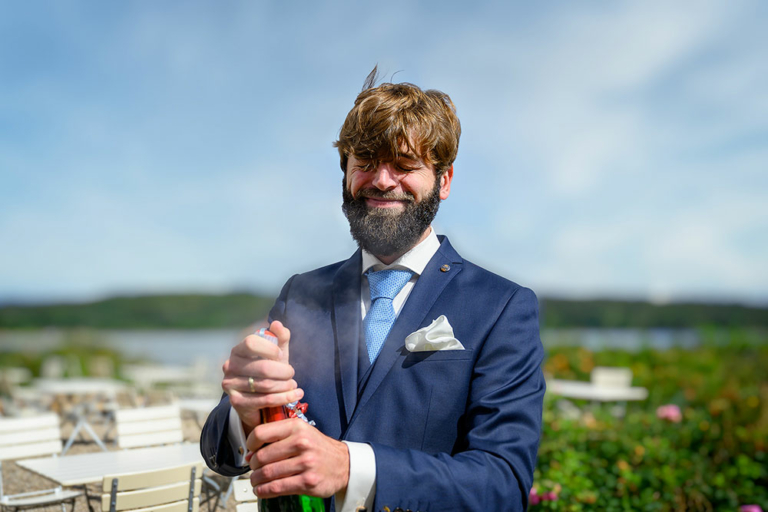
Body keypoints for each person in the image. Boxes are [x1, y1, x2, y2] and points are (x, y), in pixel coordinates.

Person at [200, 68, 545, 512]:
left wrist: (351, 468)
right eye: (364, 162)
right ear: (345, 174)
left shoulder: (502, 306)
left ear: (444, 180)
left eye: (404, 165)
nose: (382, 180)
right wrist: (243, 412)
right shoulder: (301, 292)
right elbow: (220, 452)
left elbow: (503, 483)